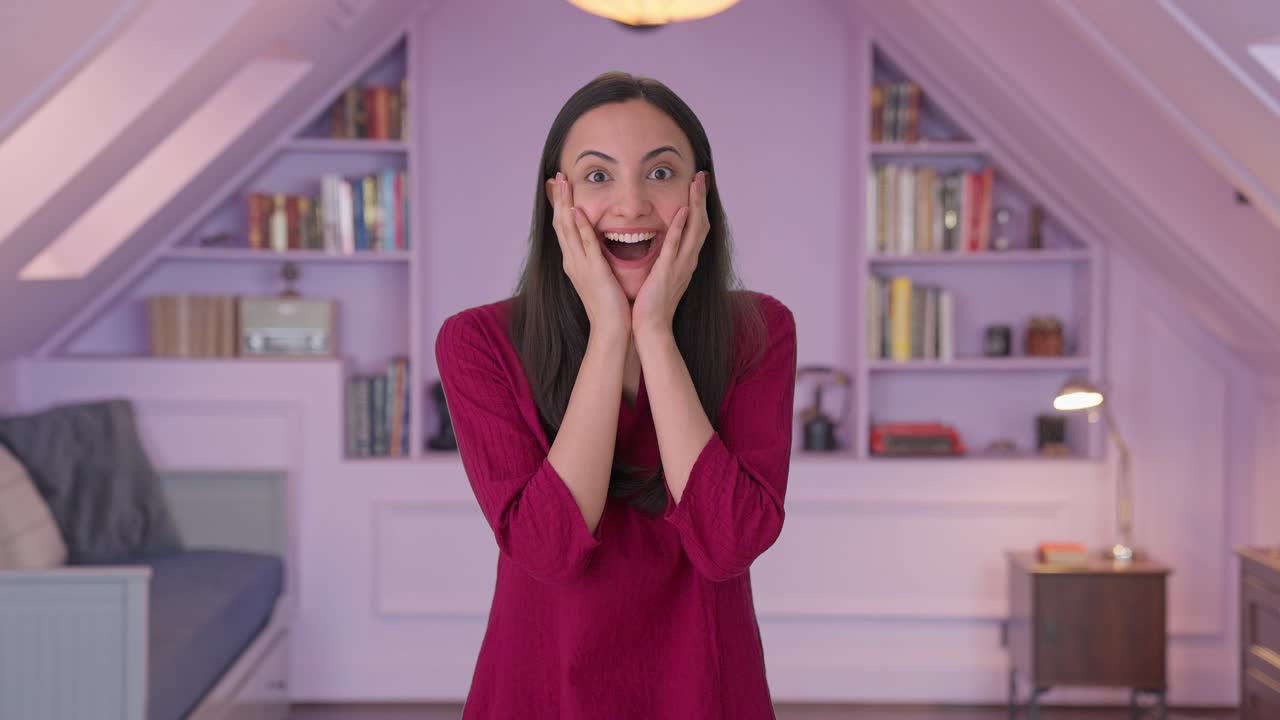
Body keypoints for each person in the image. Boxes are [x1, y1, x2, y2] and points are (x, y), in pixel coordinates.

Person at [435, 70, 797, 719]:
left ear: (700, 191)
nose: (631, 205)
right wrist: (609, 332)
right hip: (542, 688)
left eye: (659, 173)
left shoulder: (759, 331)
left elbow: (729, 544)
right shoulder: (476, 344)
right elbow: (548, 552)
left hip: (705, 690)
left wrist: (653, 331)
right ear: (558, 197)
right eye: (599, 176)